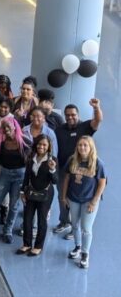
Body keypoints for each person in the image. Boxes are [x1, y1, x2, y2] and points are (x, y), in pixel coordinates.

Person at [53, 98, 102, 237]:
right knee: (62, 197)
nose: (70, 117)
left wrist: (96, 107)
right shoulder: (59, 129)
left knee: (77, 199)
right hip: (63, 170)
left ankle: (76, 229)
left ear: (78, 115)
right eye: (67, 115)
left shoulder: (85, 127)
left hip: (81, 171)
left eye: (73, 114)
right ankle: (64, 222)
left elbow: (98, 120)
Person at [61, 136, 106, 269]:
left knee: (86, 228)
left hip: (89, 200)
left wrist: (94, 201)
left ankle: (85, 254)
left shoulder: (98, 163)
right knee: (75, 225)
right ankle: (78, 247)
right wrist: (63, 197)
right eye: (80, 145)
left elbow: (102, 183)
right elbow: (67, 179)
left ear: (91, 147)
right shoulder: (72, 160)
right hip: (73, 198)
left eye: (85, 145)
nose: (82, 148)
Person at [17, 135, 58, 257]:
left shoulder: (52, 160)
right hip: (31, 192)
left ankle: (38, 246)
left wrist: (52, 169)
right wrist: (22, 192)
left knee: (41, 220)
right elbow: (27, 176)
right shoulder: (31, 157)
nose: (41, 146)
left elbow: (55, 181)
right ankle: (27, 244)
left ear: (49, 147)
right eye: (39, 144)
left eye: (44, 145)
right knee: (27, 218)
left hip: (45, 194)